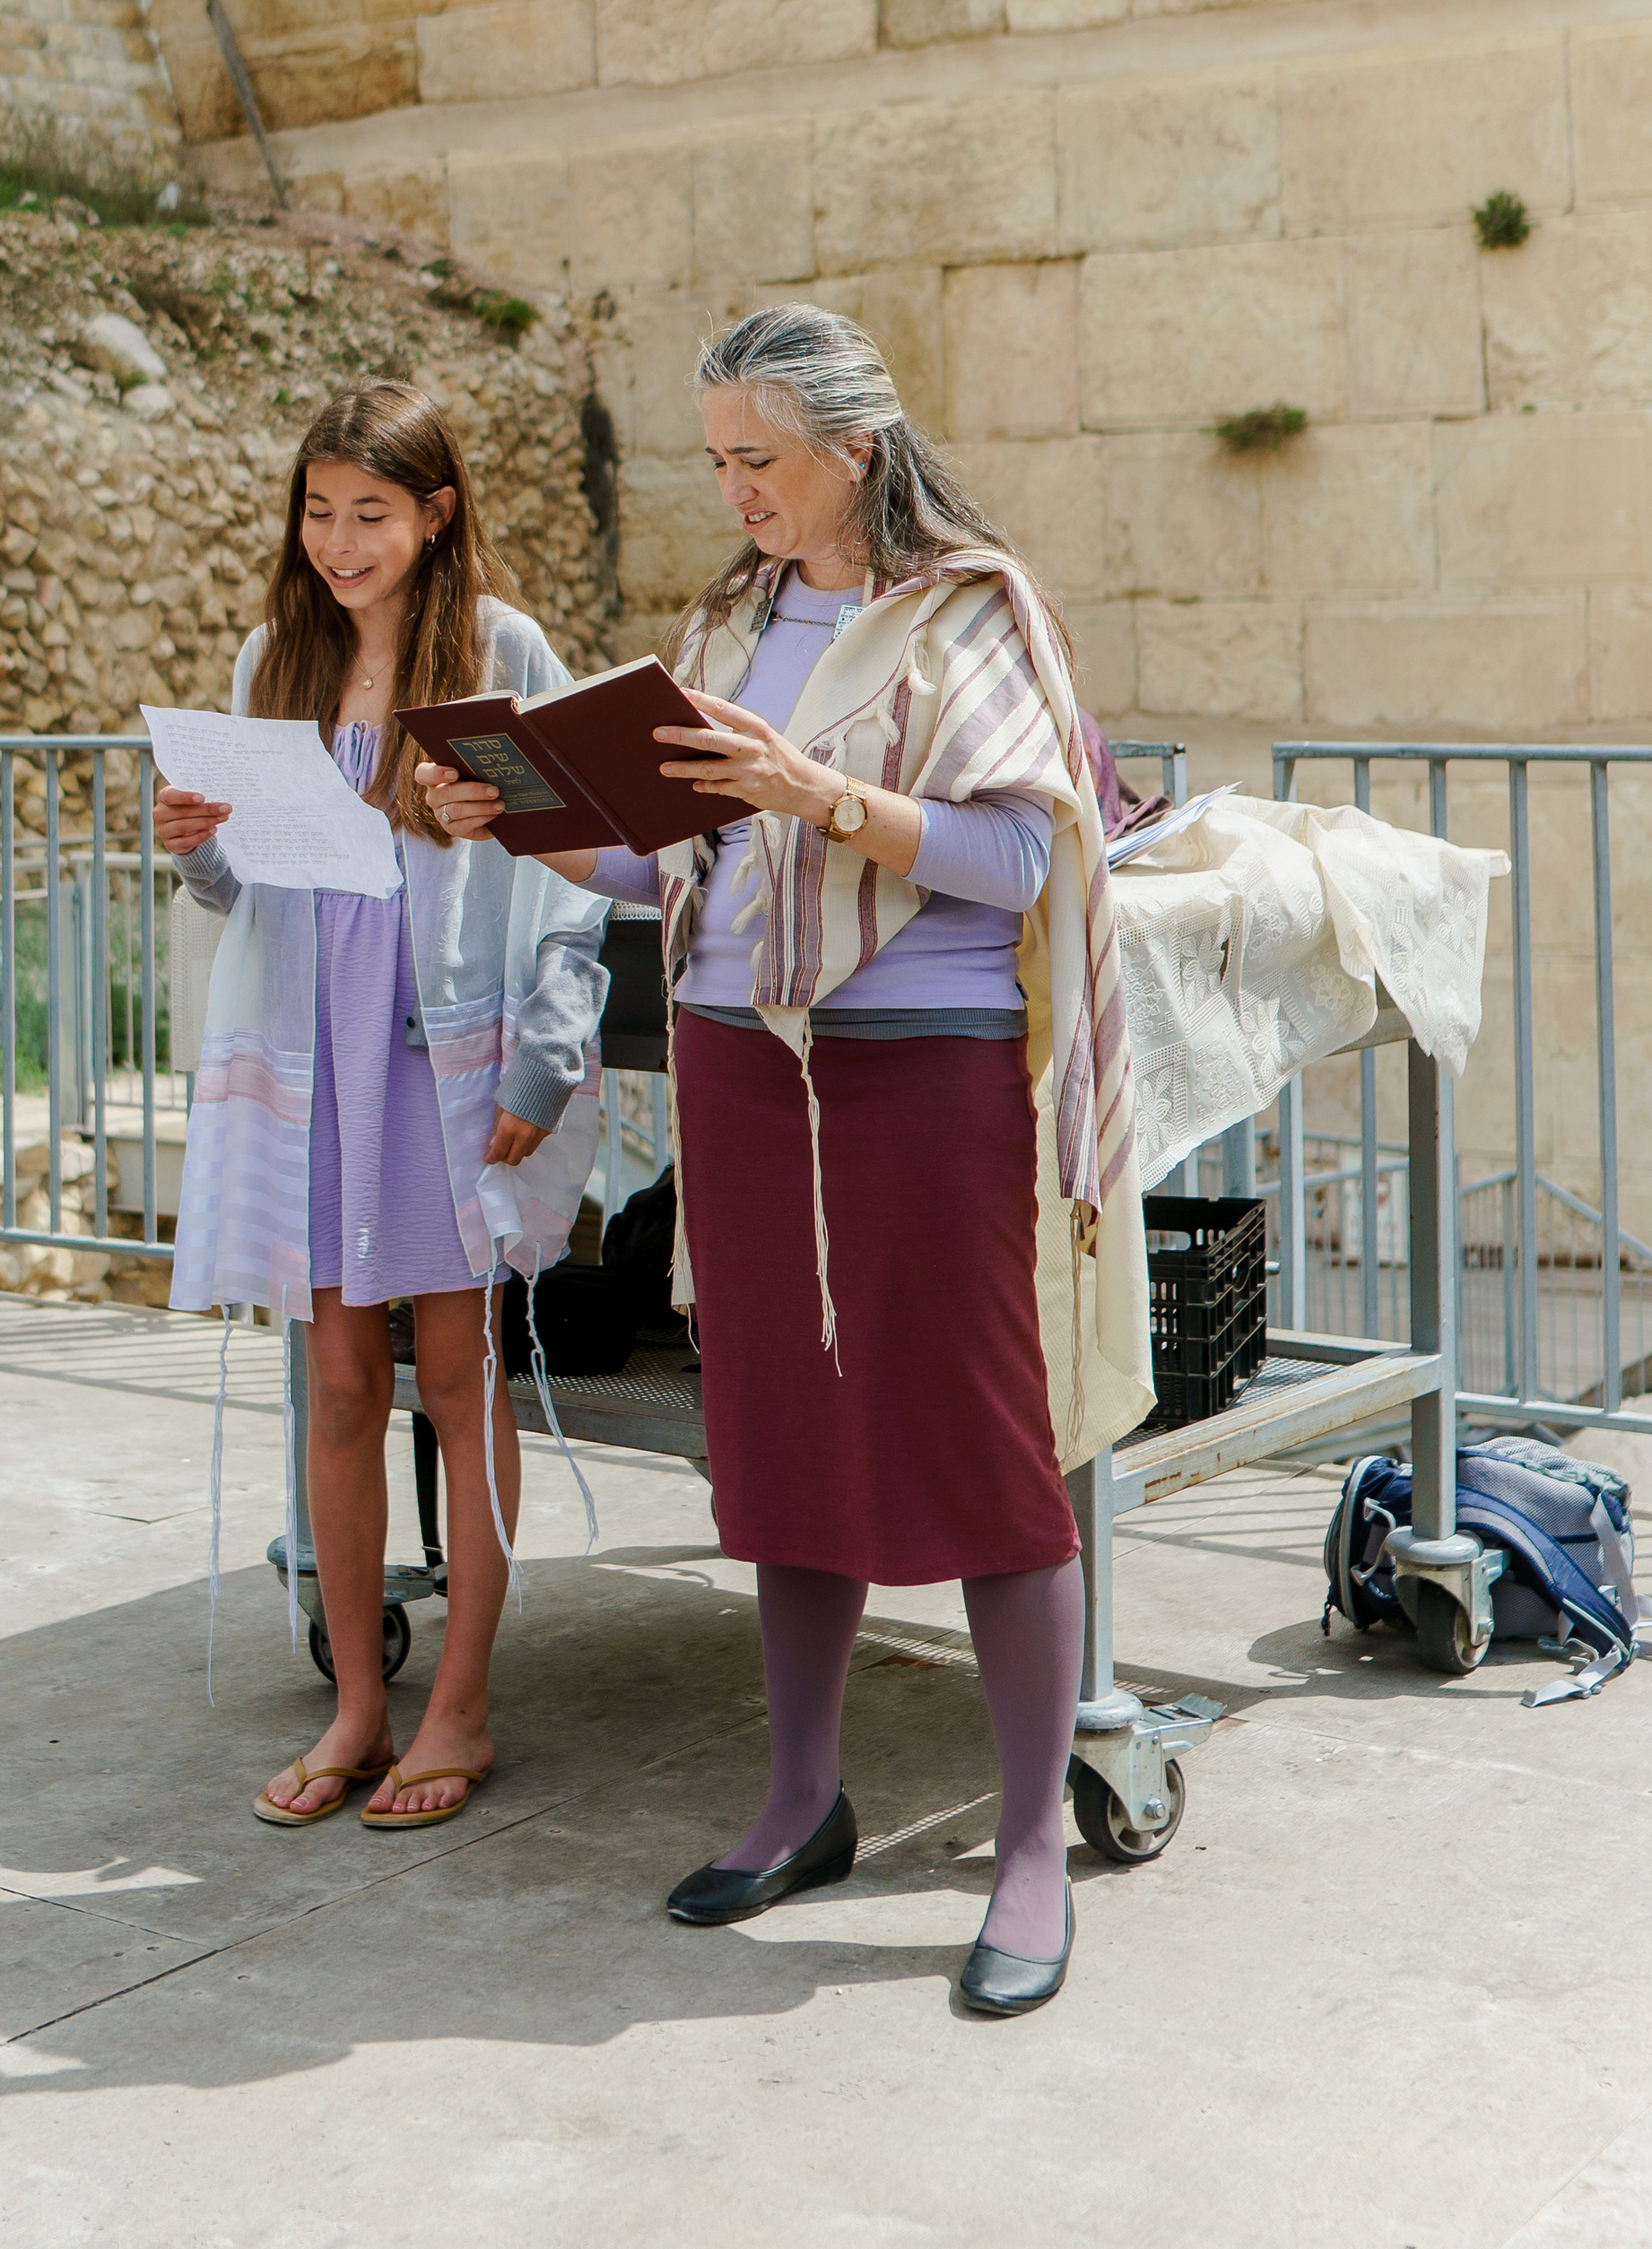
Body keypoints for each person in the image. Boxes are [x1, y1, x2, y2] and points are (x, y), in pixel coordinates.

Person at [427, 306, 1151, 2016]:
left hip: (928, 1076)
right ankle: (798, 1801)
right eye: (719, 462)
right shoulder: (732, 620)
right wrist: (523, 817)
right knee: (786, 1435)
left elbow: (1011, 856)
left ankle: (1031, 1842)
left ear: (854, 447)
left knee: (987, 1447)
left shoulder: (972, 610)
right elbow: (676, 865)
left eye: (759, 458)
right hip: (746, 1072)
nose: (736, 488)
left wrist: (810, 791)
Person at [163, 381, 608, 1832]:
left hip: (449, 1057)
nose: (339, 543)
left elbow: (568, 868)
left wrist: (548, 1059)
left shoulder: (501, 651)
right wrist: (196, 850)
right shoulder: (271, 660)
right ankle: (360, 1705)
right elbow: (252, 886)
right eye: (318, 512)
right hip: (312, 1059)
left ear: (437, 514)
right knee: (341, 1384)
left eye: (371, 514)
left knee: (459, 1375)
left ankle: (462, 1705)